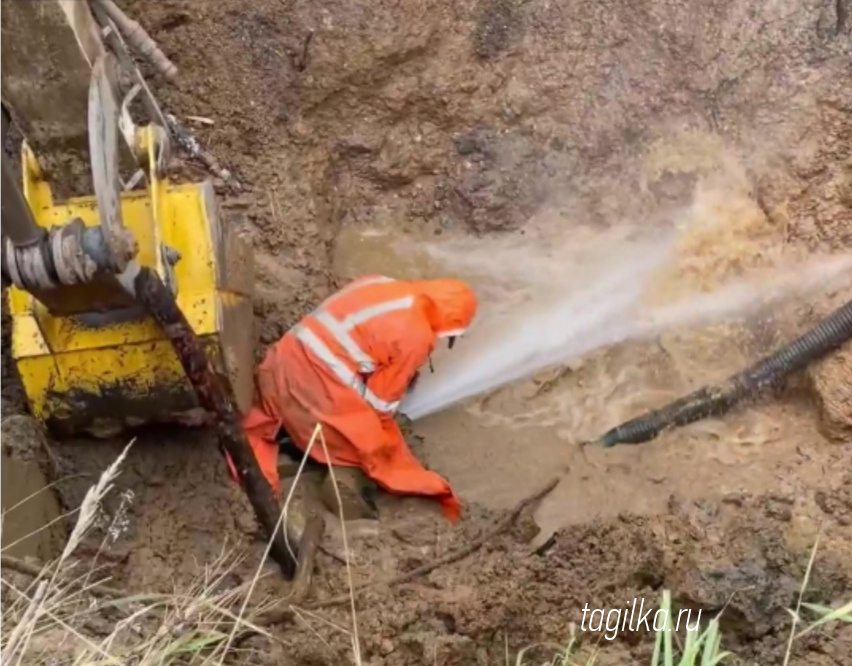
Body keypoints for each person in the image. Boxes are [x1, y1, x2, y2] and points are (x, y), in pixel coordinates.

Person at [226, 274, 478, 521]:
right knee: (371, 444)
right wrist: (385, 435)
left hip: (279, 366)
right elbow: (379, 404)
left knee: (303, 412)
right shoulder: (417, 336)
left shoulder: (382, 283)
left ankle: (296, 434)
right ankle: (344, 479)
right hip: (315, 390)